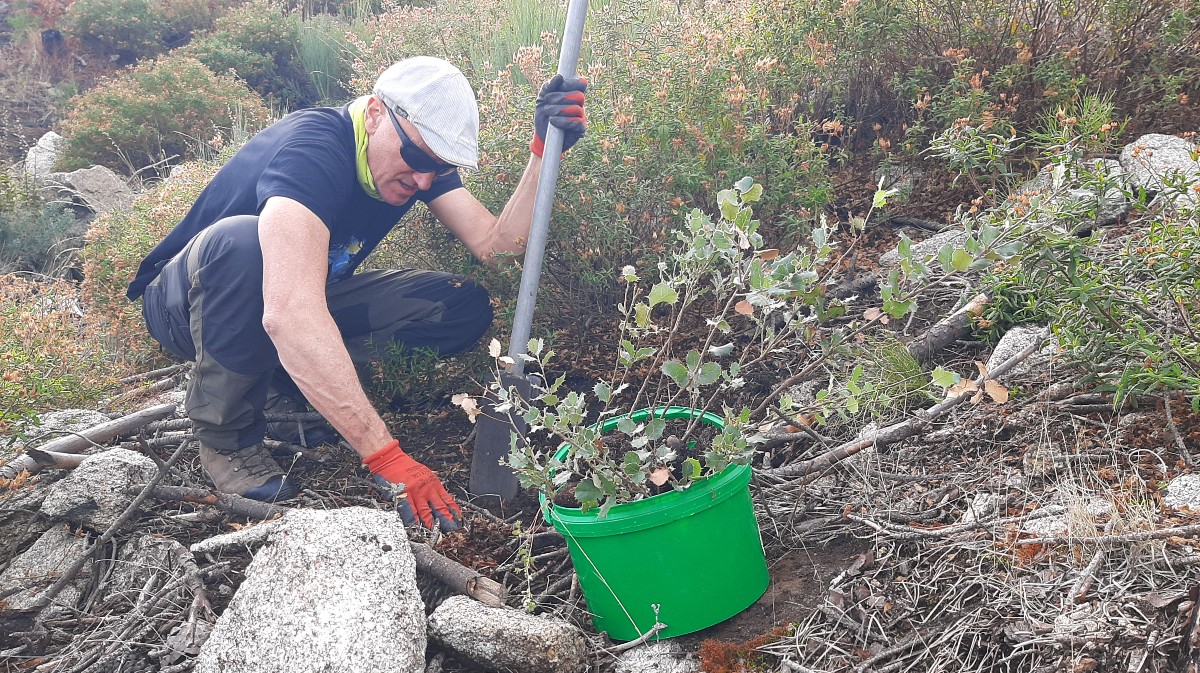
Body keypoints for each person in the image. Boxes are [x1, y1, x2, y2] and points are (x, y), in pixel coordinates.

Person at [126, 56, 587, 530]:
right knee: (248, 245)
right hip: (186, 304)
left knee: (456, 304)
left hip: (293, 297)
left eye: (439, 165)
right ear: (374, 114)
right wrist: (386, 457)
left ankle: (285, 389)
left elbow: (498, 248)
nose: (424, 179)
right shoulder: (315, 148)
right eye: (419, 159)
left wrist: (542, 153)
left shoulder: (413, 158)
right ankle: (227, 435)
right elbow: (287, 312)